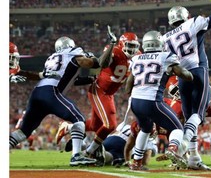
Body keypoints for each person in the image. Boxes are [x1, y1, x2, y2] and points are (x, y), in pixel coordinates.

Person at [9, 30, 117, 166]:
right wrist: (110, 45)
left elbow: (70, 79)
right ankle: (76, 156)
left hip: (37, 92)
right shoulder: (75, 55)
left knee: (23, 132)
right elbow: (101, 63)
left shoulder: (52, 59)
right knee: (78, 119)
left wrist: (91, 79)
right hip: (51, 92)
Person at [162, 0, 211, 170]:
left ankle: (193, 158)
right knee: (197, 115)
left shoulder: (164, 38)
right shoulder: (192, 23)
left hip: (181, 77)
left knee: (190, 118)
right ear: (185, 16)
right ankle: (179, 147)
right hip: (197, 71)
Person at [55, 30, 141, 158]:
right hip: (100, 90)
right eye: (129, 45)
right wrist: (111, 44)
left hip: (110, 93)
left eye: (134, 46)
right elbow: (102, 63)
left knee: (95, 126)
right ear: (122, 44)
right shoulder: (114, 50)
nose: (132, 49)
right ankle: (89, 152)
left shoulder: (138, 56)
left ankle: (68, 127)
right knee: (110, 125)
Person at [125, 30, 193, 170]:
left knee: (145, 129)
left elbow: (128, 86)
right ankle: (173, 149)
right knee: (177, 128)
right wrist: (191, 75)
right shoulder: (166, 56)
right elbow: (183, 74)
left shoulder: (136, 59)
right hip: (152, 101)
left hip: (135, 102)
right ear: (160, 43)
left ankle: (136, 162)